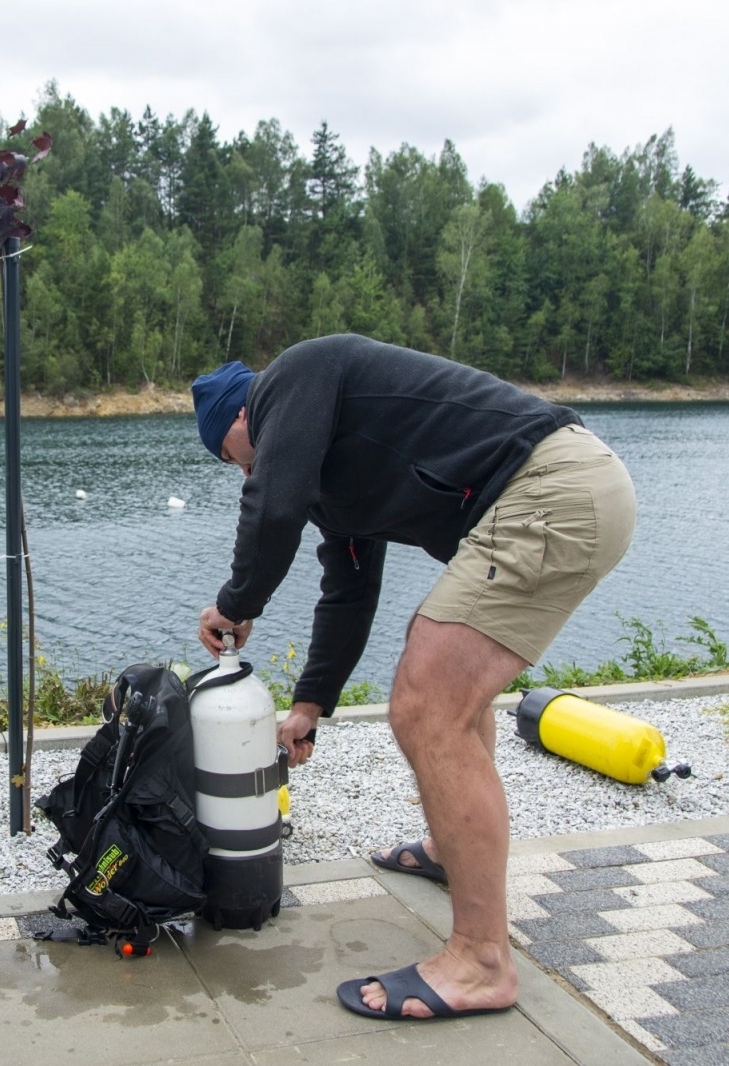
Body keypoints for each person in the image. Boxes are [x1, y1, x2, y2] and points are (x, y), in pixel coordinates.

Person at [191, 334, 635, 1020]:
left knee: (426, 705)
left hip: (550, 487)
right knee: (450, 687)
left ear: (240, 421)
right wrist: (310, 706)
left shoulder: (294, 375)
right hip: (557, 490)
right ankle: (448, 851)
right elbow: (349, 591)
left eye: (230, 459)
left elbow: (272, 505)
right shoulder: (332, 478)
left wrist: (236, 603)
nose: (240, 474)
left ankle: (482, 963)